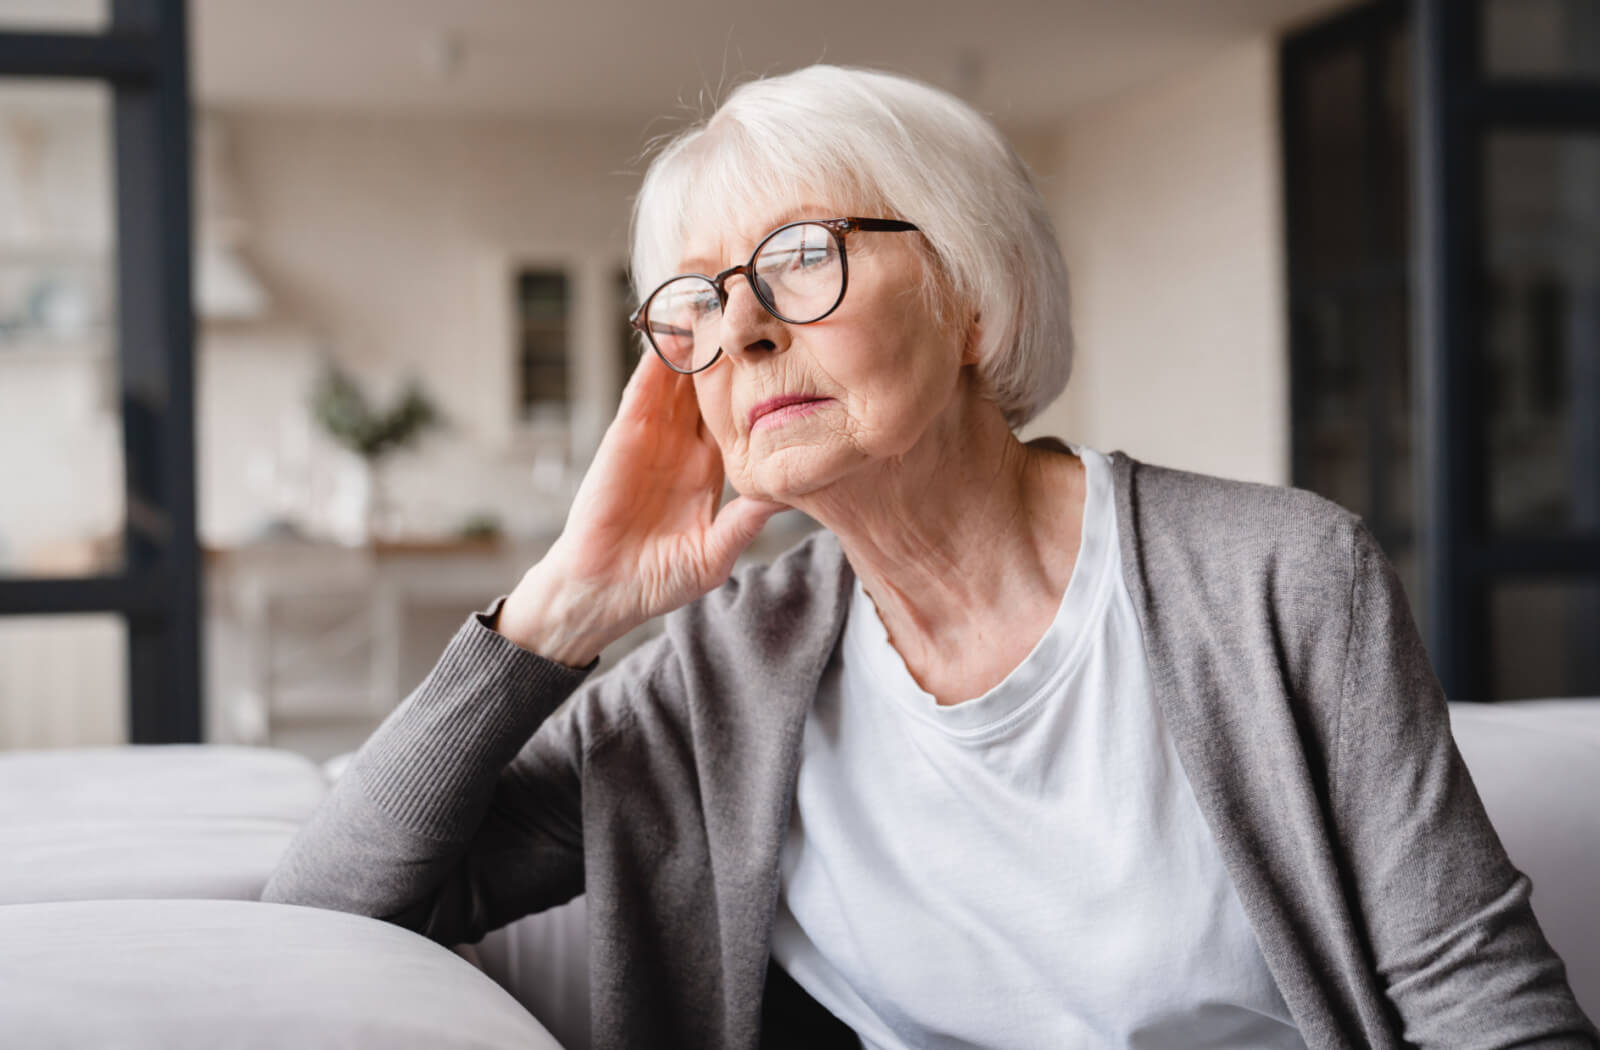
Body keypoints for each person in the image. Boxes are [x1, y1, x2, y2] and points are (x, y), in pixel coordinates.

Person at [262, 65, 1597, 1049]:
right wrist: (560, 606)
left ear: (970, 293)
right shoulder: (718, 674)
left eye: (799, 259)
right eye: (699, 302)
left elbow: (1497, 1015)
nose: (747, 332)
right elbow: (326, 907)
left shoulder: (1280, 580)